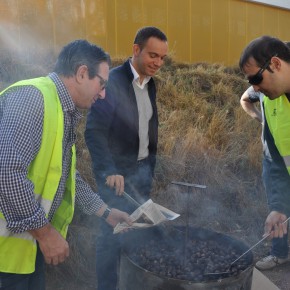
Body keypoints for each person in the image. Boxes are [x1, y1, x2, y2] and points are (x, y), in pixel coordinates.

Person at [0, 39, 132, 290]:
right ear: (82, 73)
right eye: (101, 85)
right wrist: (46, 233)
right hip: (6, 254)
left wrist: (105, 212)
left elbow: (67, 175)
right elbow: (6, 173)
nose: (103, 94)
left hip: (26, 247)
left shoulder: (62, 109)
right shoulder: (33, 99)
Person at [85, 26, 168, 290]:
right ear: (136, 50)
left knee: (136, 234)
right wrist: (109, 170)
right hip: (116, 179)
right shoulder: (114, 81)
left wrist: (149, 168)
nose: (158, 62)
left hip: (142, 175)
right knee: (110, 237)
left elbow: (147, 127)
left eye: (162, 57)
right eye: (153, 55)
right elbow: (94, 131)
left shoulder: (150, 84)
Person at [239, 35, 290, 262]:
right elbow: (276, 159)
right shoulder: (269, 97)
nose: (255, 87)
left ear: (276, 64)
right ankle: (280, 254)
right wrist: (279, 207)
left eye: (257, 78)